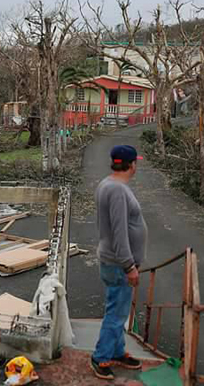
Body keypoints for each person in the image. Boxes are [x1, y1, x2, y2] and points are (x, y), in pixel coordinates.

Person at [90, 144, 148, 380]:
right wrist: (129, 266)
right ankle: (100, 357)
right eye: (136, 163)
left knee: (118, 311)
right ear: (131, 165)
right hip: (118, 263)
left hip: (114, 260)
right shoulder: (117, 190)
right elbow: (119, 232)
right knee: (116, 313)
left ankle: (116, 350)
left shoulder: (108, 184)